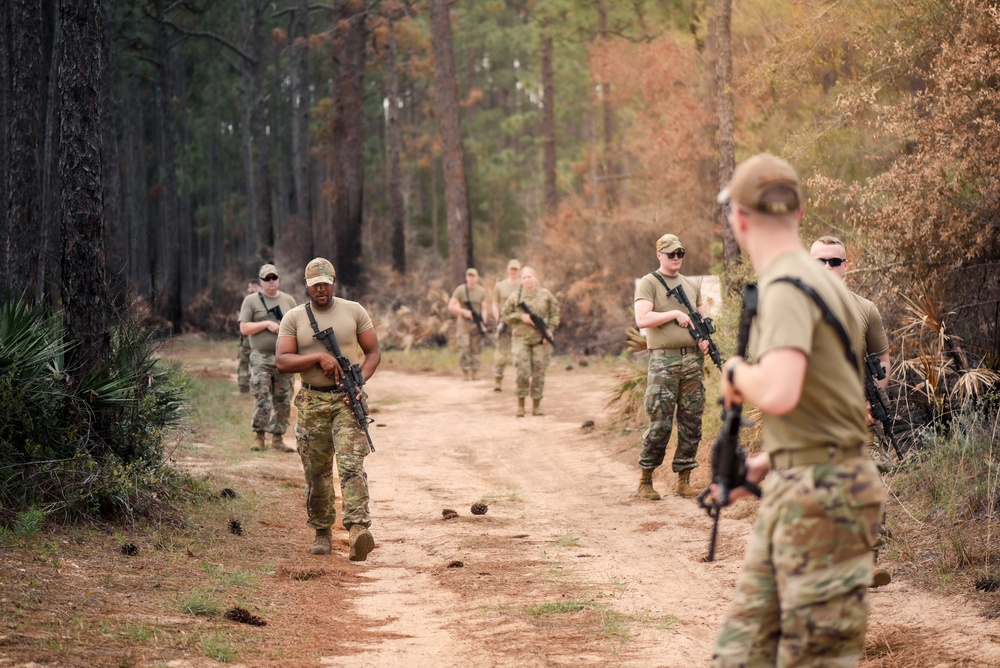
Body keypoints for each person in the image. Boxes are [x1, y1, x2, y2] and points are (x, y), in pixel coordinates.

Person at [711, 154, 886, 666]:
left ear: (738, 219)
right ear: (800, 211)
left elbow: (781, 391)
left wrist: (735, 374)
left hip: (823, 497)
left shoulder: (787, 285)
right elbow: (829, 401)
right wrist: (765, 463)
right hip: (808, 478)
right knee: (741, 650)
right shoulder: (827, 284)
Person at [275, 258, 381, 561]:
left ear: (333, 282)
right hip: (312, 401)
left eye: (325, 283)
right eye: (315, 285)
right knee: (317, 471)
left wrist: (360, 383)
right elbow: (282, 361)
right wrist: (317, 358)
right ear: (307, 286)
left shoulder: (354, 310)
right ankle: (322, 531)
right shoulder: (294, 318)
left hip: (347, 400)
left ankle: (358, 529)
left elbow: (373, 352)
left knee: (351, 464)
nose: (321, 289)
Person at [811, 234, 894, 588]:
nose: (828, 268)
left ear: (847, 265)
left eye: (835, 261)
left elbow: (883, 360)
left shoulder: (865, 308)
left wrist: (873, 399)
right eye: (820, 262)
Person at [633, 234, 712, 500]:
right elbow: (642, 318)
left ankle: (684, 479)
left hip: (692, 359)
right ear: (659, 255)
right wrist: (674, 314)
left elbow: (700, 318)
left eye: (680, 253)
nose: (676, 258)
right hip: (663, 360)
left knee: (692, 420)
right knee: (661, 421)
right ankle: (646, 479)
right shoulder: (649, 282)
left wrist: (703, 340)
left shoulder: (690, 285)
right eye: (671, 254)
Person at [239, 264, 297, 452]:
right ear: (261, 281)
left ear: (278, 279)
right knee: (262, 397)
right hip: (261, 358)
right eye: (267, 279)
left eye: (274, 278)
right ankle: (259, 436)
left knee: (283, 398)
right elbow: (244, 328)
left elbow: (299, 326)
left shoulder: (288, 300)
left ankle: (278, 439)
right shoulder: (251, 301)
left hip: (285, 357)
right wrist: (265, 324)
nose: (271, 282)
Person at [500, 266, 560, 417]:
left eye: (529, 276)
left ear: (535, 277)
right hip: (521, 339)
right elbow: (505, 315)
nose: (527, 280)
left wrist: (549, 332)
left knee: (539, 372)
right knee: (523, 371)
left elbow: (555, 314)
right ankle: (521, 405)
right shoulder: (516, 296)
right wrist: (520, 317)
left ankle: (536, 406)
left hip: (541, 340)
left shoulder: (545, 294)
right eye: (524, 277)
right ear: (521, 280)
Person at [447, 268, 488, 381]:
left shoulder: (481, 291)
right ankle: (465, 372)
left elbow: (484, 309)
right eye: (469, 276)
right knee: (464, 347)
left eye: (473, 276)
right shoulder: (460, 290)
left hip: (477, 322)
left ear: (477, 277)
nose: (471, 278)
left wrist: (483, 322)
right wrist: (463, 312)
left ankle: (475, 373)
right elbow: (451, 306)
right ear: (466, 278)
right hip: (464, 322)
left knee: (476, 348)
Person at [491, 259, 522, 392]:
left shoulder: (523, 285)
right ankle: (498, 379)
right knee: (501, 354)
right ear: (508, 270)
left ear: (519, 271)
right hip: (505, 322)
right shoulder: (500, 286)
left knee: (521, 354)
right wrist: (498, 319)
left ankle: (521, 381)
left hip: (520, 323)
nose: (513, 272)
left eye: (516, 269)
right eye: (511, 269)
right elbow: (494, 303)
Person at [237, 279, 260, 394]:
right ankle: (247, 389)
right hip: (249, 337)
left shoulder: (252, 301)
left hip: (251, 338)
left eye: (250, 287)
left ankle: (245, 389)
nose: (248, 289)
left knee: (246, 363)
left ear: (256, 287)